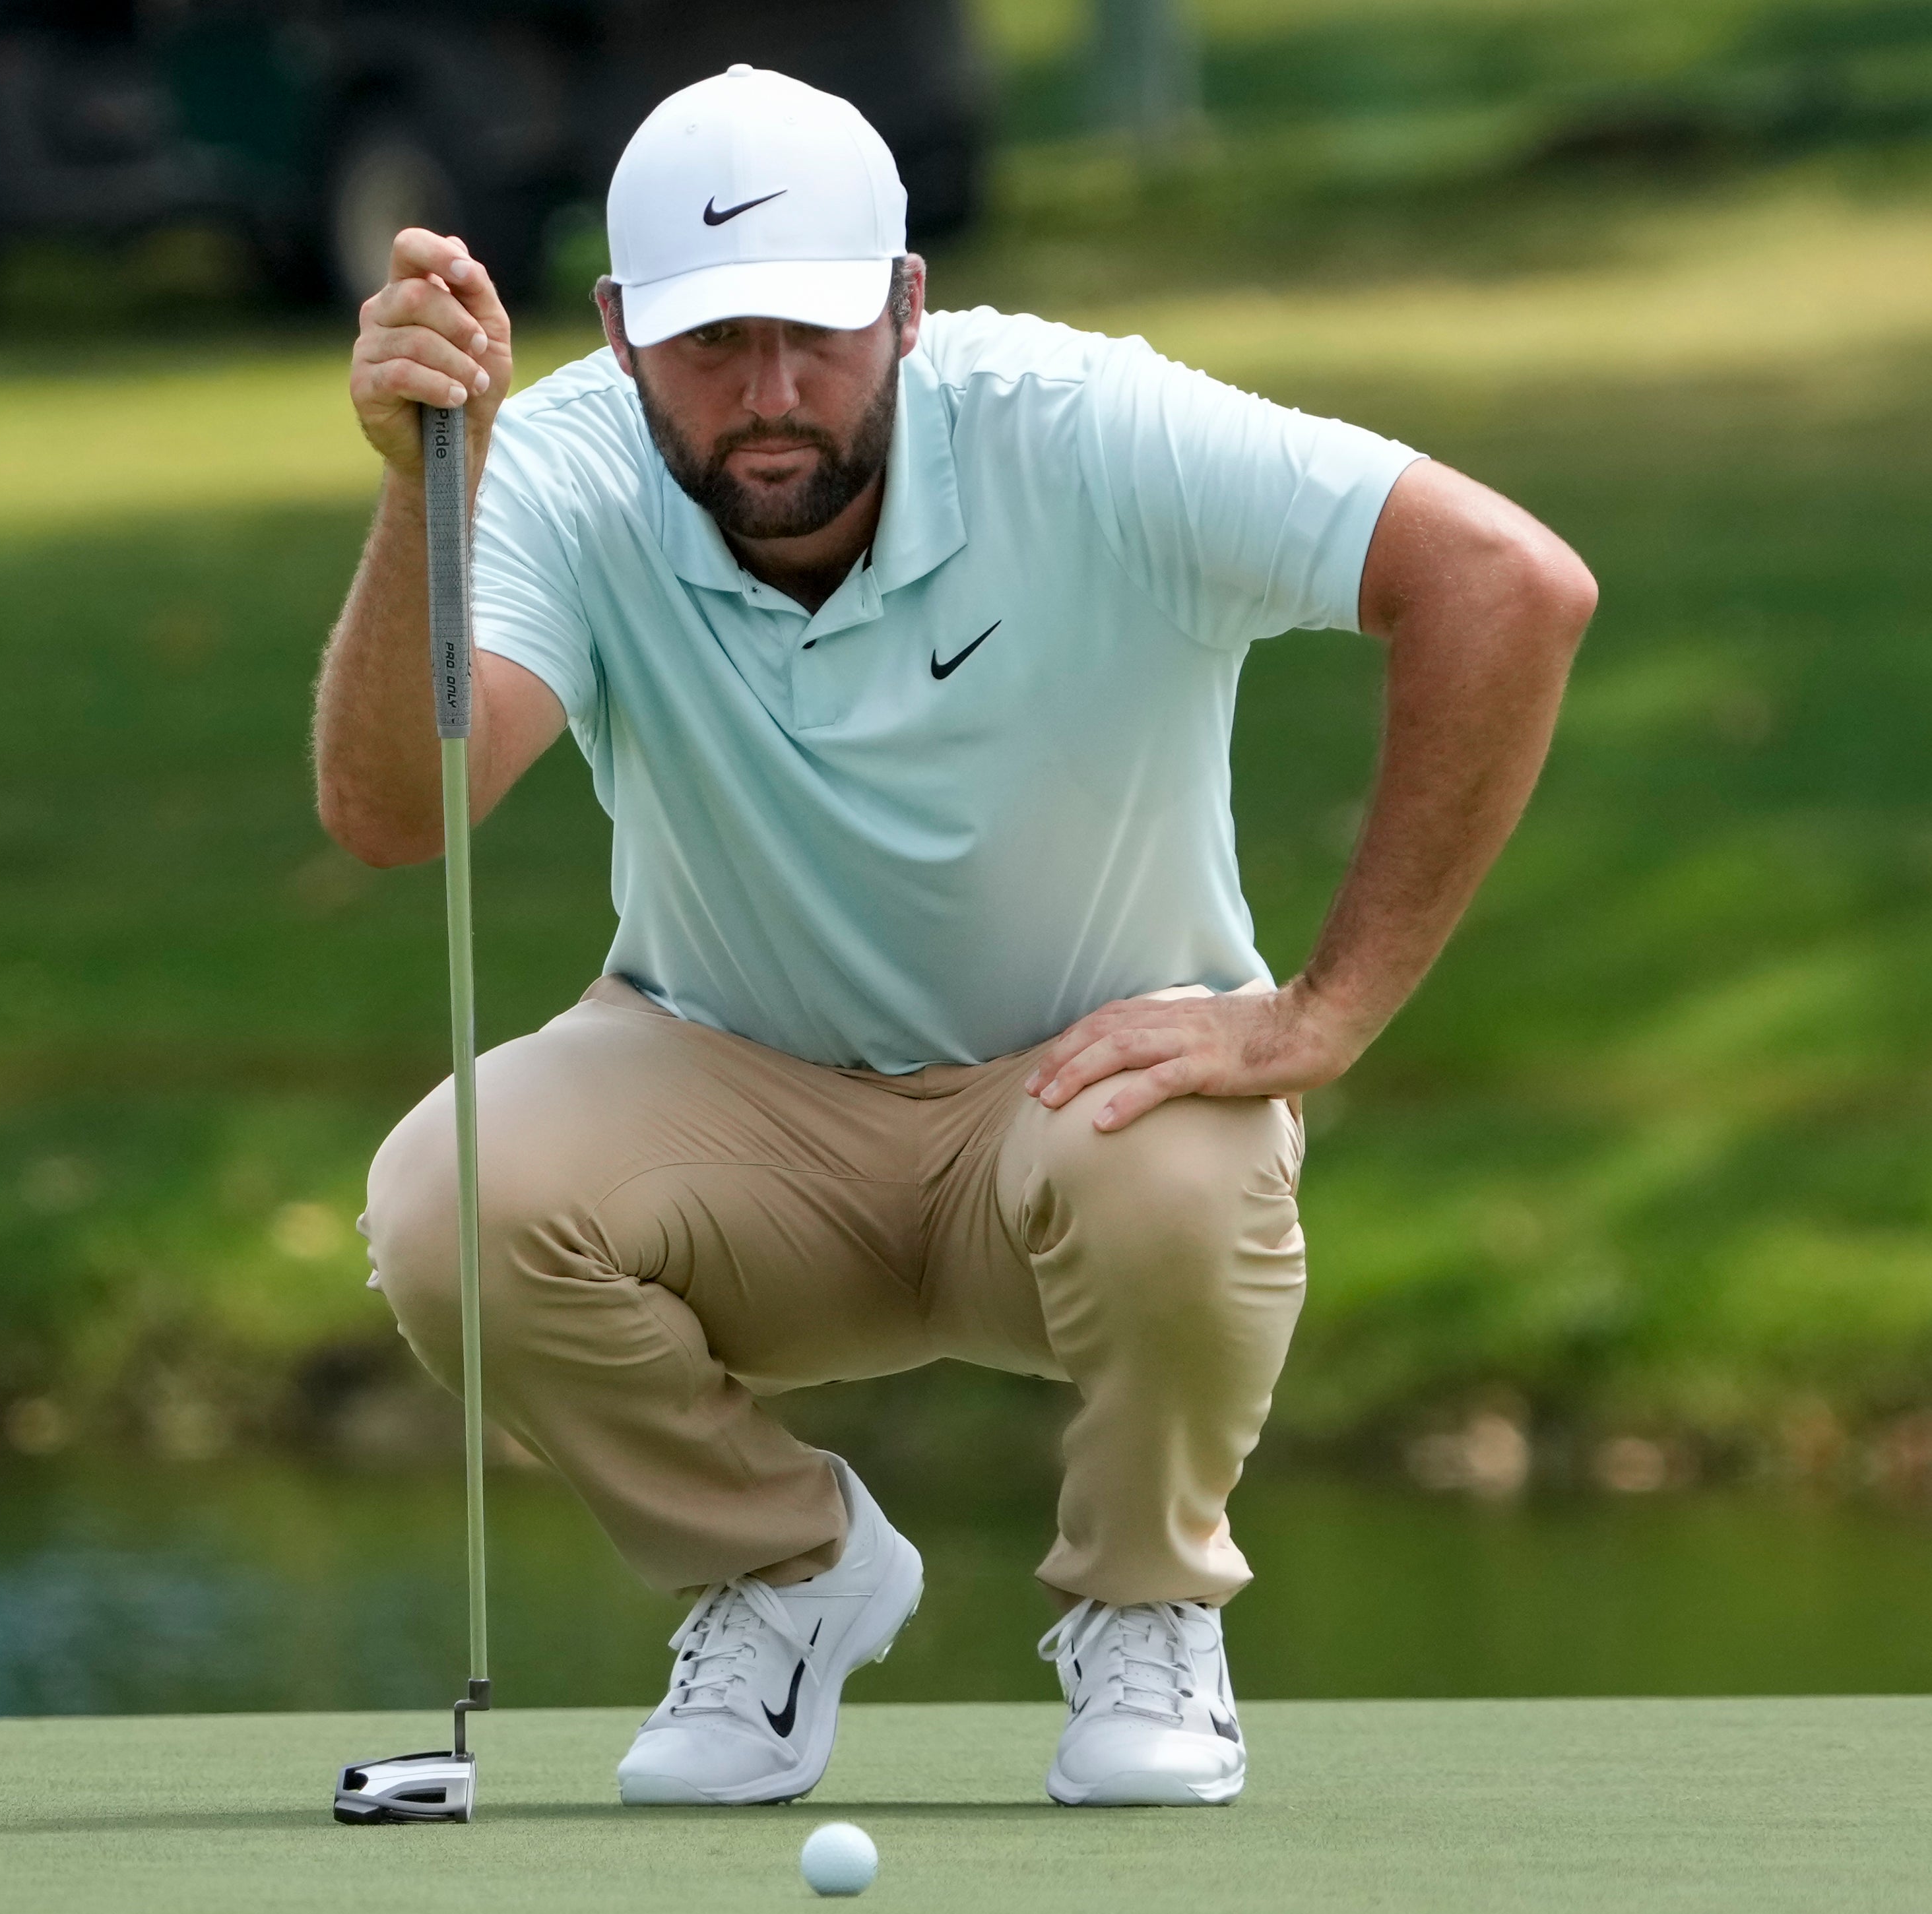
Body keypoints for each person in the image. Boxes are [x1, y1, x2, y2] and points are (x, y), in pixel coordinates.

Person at [317, 64, 1595, 1809]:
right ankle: (783, 1575)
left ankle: (1149, 1615)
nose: (767, 396)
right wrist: (421, 490)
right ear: (616, 332)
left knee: (1181, 1158)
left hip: (1077, 1094)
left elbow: (1506, 583)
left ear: (906, 306)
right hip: (728, 1103)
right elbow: (400, 813)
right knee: (442, 1196)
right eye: (709, 344)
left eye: (815, 335)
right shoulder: (546, 468)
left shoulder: (1080, 425)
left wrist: (1320, 1014)